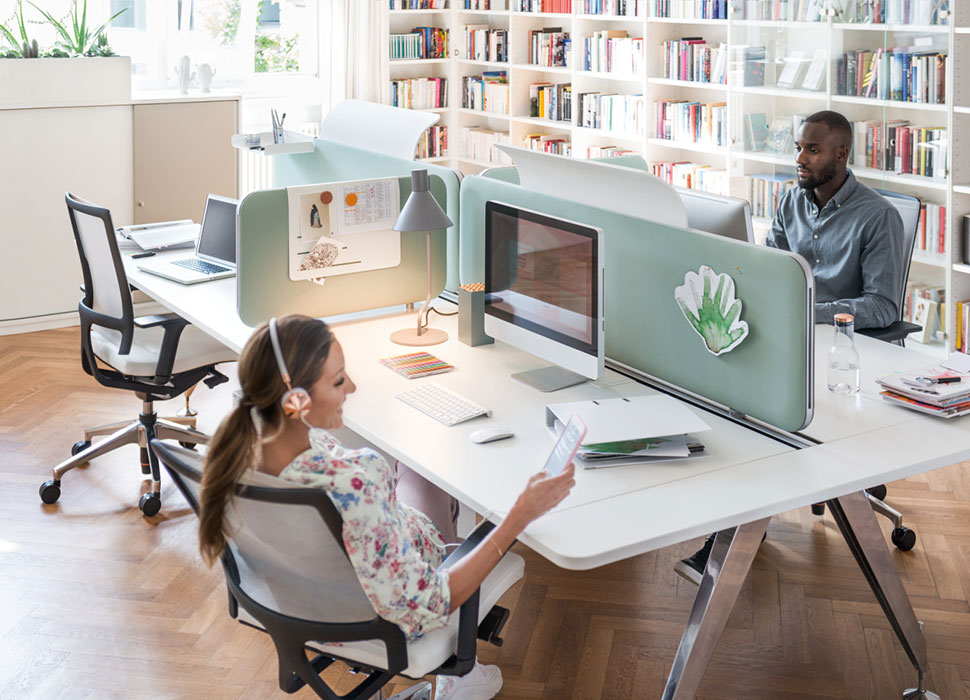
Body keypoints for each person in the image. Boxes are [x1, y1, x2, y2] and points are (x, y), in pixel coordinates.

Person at [198, 314, 576, 700]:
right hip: (380, 610)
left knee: (418, 463)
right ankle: (464, 681)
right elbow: (428, 604)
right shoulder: (357, 479)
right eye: (339, 380)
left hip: (298, 599)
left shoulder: (233, 451)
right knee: (433, 469)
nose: (352, 387)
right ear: (296, 400)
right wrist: (518, 517)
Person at [675, 110, 905, 586]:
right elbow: (770, 270)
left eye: (812, 150)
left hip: (840, 352)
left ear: (841, 154)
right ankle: (721, 517)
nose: (800, 158)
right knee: (718, 392)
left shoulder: (877, 216)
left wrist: (808, 310)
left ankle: (729, 543)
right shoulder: (790, 201)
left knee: (755, 419)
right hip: (785, 337)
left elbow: (883, 306)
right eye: (799, 147)